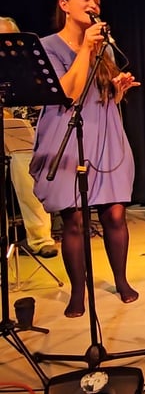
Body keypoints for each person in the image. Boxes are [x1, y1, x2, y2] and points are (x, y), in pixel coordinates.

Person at [29, 0, 141, 317]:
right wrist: (84, 51)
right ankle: (79, 290)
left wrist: (118, 89)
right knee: (75, 219)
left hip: (106, 133)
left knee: (116, 214)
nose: (93, 4)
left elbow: (102, 96)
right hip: (67, 133)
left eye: (97, 1)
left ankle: (121, 280)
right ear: (64, 4)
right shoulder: (47, 47)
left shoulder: (104, 48)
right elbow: (68, 94)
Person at [0, 16, 58, 258]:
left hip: (28, 132)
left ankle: (40, 239)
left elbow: (43, 101)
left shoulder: (31, 67)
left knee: (24, 167)